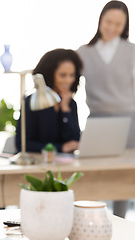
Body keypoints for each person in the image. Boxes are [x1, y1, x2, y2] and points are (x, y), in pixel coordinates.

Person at [77, 0, 133, 218]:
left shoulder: (131, 51)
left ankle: (121, 221)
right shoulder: (84, 52)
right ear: (101, 20)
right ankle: (92, 220)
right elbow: (69, 82)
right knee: (94, 173)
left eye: (119, 24)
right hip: (97, 121)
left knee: (125, 177)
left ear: (125, 25)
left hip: (130, 121)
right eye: (109, 21)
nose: (112, 27)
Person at [16, 49, 82, 153]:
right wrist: (60, 148)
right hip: (37, 164)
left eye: (71, 75)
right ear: (50, 74)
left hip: (64, 164)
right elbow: (23, 144)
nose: (68, 80)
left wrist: (65, 110)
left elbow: (74, 142)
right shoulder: (33, 102)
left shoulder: (70, 104)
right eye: (63, 75)